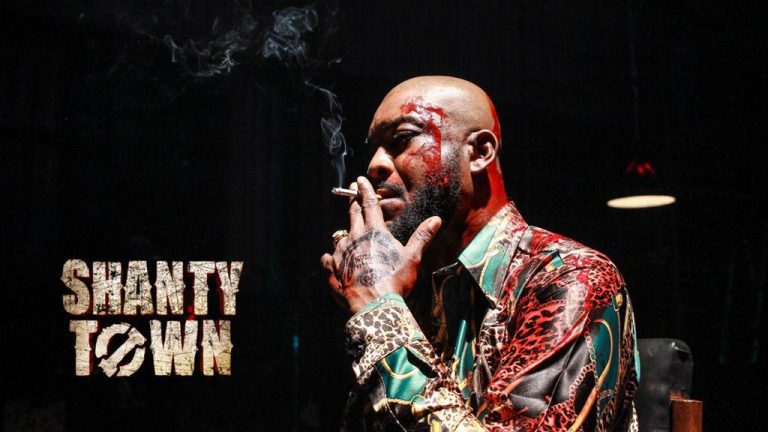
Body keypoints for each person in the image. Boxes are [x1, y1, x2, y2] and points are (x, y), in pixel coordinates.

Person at [321, 76, 639, 431]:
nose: (375, 165)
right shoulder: (408, 287)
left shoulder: (570, 277)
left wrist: (379, 313)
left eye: (402, 139)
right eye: (375, 148)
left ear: (479, 152)